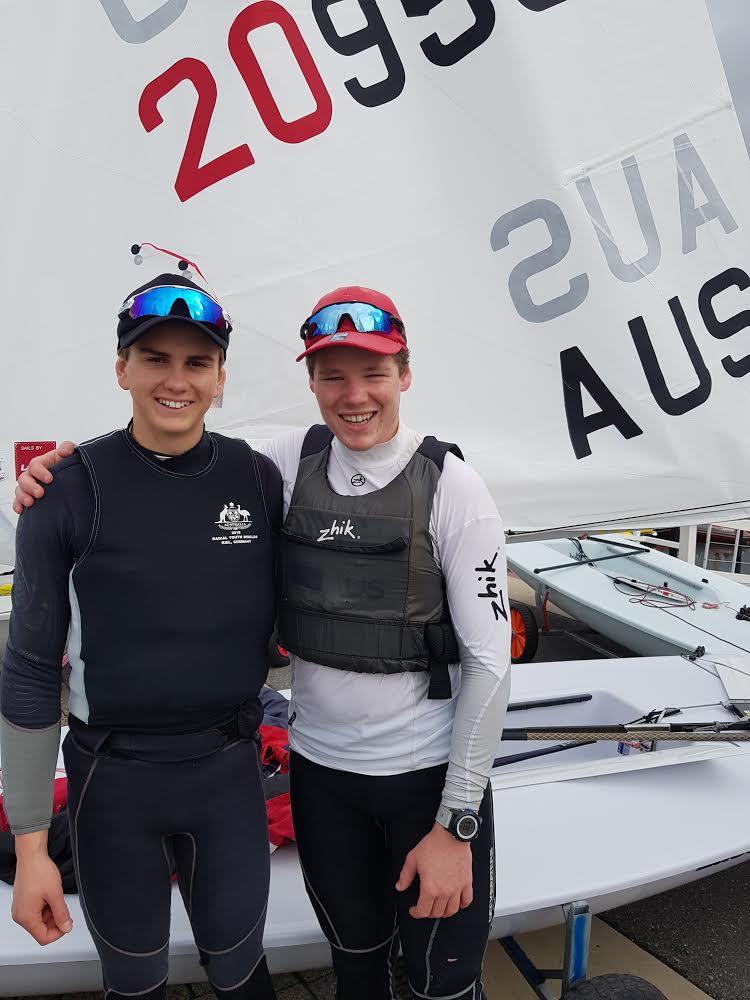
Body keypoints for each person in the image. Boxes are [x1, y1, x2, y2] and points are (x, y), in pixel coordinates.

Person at [15, 285, 511, 1000]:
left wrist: (458, 824)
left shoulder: (444, 487)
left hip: (402, 781)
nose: (354, 395)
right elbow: (166, 478)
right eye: (332, 375)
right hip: (303, 777)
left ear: (405, 374)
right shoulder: (274, 465)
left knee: (439, 985)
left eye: (373, 372)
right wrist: (43, 480)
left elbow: (493, 665)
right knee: (353, 968)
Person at [2, 274, 281, 1000]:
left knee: (243, 970)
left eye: (197, 363)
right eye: (154, 358)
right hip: (112, 782)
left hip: (227, 773)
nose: (176, 380)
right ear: (121, 368)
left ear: (221, 377)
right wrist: (32, 849)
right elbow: (31, 672)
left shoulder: (258, 479)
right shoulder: (64, 490)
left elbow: (362, 456)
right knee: (133, 981)